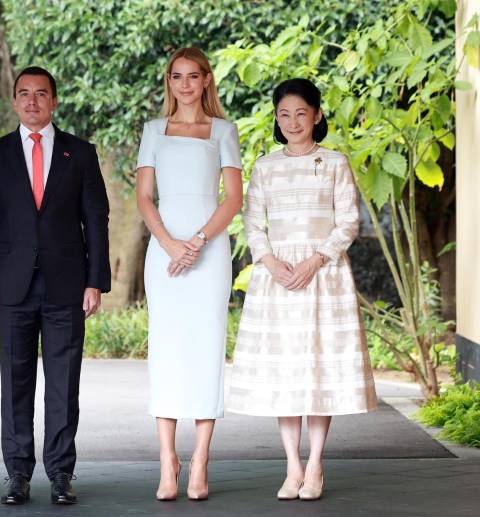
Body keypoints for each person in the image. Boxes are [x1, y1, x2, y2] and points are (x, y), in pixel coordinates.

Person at [227, 78, 377, 501]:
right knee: (286, 371)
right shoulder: (265, 166)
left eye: (300, 113)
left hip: (323, 275)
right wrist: (272, 262)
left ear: (317, 115)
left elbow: (348, 221)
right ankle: (292, 467)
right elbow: (254, 223)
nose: (292, 121)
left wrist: (315, 260)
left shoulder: (334, 162)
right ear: (277, 118)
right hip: (277, 278)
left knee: (318, 369)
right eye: (284, 114)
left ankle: (316, 465)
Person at [0, 66, 110, 506]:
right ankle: (17, 474)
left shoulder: (80, 153)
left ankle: (61, 473)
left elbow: (96, 222)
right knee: (15, 383)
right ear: (14, 101)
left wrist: (96, 281)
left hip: (67, 285)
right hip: (10, 288)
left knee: (64, 384)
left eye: (41, 94)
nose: (32, 101)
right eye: (24, 94)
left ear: (54, 101)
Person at [135, 47, 243, 501]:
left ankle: (199, 461)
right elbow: (144, 198)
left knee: (205, 348)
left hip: (210, 251)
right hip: (164, 254)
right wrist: (169, 244)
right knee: (166, 350)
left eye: (192, 76)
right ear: (169, 82)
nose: (184, 84)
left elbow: (233, 198)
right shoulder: (152, 131)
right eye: (176, 76)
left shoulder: (223, 130)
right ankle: (167, 462)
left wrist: (196, 242)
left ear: (206, 81)